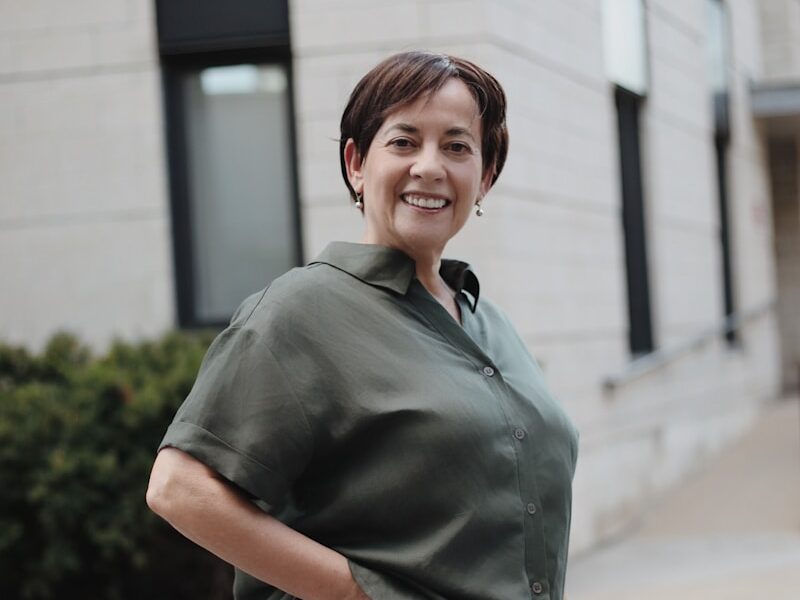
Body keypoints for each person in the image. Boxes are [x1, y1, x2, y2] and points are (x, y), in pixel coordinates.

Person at [147, 50, 579, 600]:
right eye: (403, 142)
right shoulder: (302, 311)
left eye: (457, 146)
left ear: (485, 175)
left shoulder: (488, 321)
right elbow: (179, 488)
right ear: (357, 163)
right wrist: (358, 594)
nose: (429, 166)